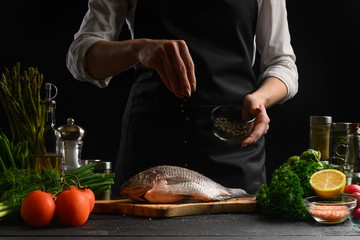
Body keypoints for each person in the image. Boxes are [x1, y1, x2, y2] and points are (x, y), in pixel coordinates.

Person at [67, 0, 298, 195]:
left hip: (232, 143)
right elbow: (80, 57)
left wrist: (261, 98)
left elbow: (282, 64)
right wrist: (137, 49)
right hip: (152, 151)